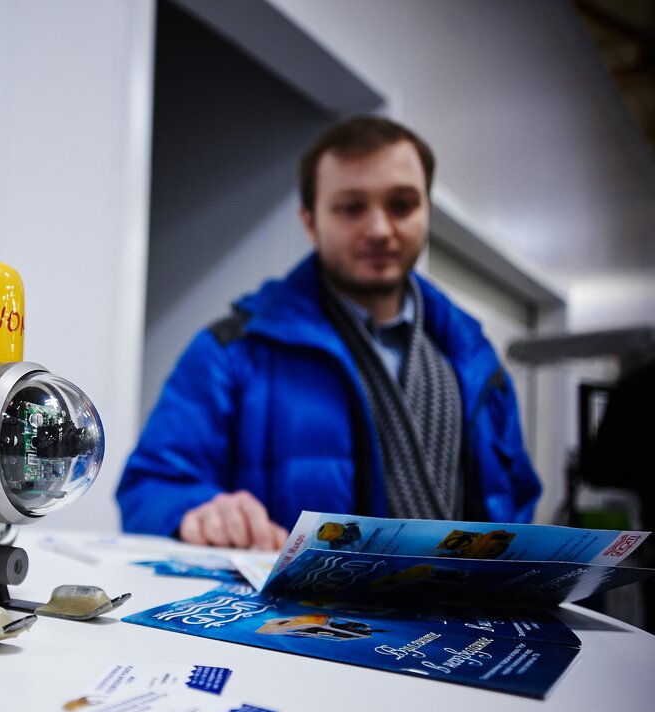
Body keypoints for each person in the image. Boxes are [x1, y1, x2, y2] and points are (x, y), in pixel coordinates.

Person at [116, 116, 541, 550]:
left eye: (402, 205)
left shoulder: (476, 361)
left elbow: (515, 503)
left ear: (426, 211)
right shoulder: (229, 353)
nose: (379, 229)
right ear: (309, 221)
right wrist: (198, 512)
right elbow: (149, 487)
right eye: (351, 208)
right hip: (282, 596)